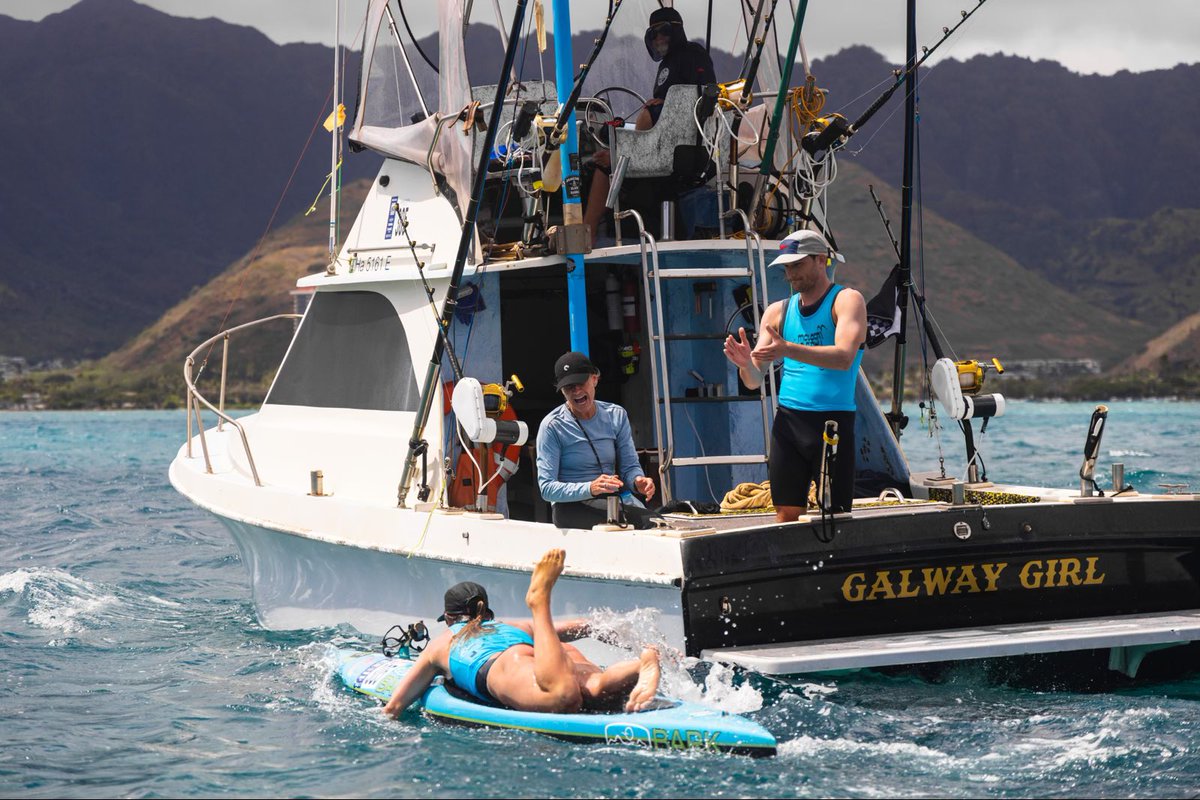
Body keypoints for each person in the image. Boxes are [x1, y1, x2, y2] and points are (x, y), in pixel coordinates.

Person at [382, 548, 660, 717]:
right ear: (485, 610)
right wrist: (634, 642)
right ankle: (642, 662)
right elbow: (589, 625)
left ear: (449, 617)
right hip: (546, 652)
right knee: (597, 689)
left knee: (565, 698)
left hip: (507, 667)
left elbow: (395, 706)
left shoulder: (442, 644)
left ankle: (540, 603)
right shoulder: (512, 626)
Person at [723, 229, 867, 522]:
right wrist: (745, 364)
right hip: (789, 422)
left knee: (835, 516)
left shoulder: (847, 300)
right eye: (786, 266)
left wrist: (787, 348)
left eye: (797, 264)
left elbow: (843, 358)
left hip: (832, 422)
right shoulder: (777, 312)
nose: (790, 273)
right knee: (786, 512)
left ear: (820, 260)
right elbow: (754, 380)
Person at [583, 6, 715, 240]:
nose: (658, 39)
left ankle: (587, 234)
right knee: (616, 141)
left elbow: (693, 99)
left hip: (670, 157)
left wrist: (621, 155)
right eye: (653, 35)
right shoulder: (680, 60)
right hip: (688, 150)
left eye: (663, 32)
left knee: (604, 165)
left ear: (676, 31)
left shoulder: (687, 56)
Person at [536, 351, 659, 530]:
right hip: (571, 507)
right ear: (561, 390)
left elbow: (629, 466)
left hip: (610, 500)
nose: (576, 391)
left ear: (594, 379)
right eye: (568, 387)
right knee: (647, 521)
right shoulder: (552, 426)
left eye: (580, 383)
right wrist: (590, 488)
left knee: (658, 521)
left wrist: (637, 481)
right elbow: (547, 489)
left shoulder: (616, 415)